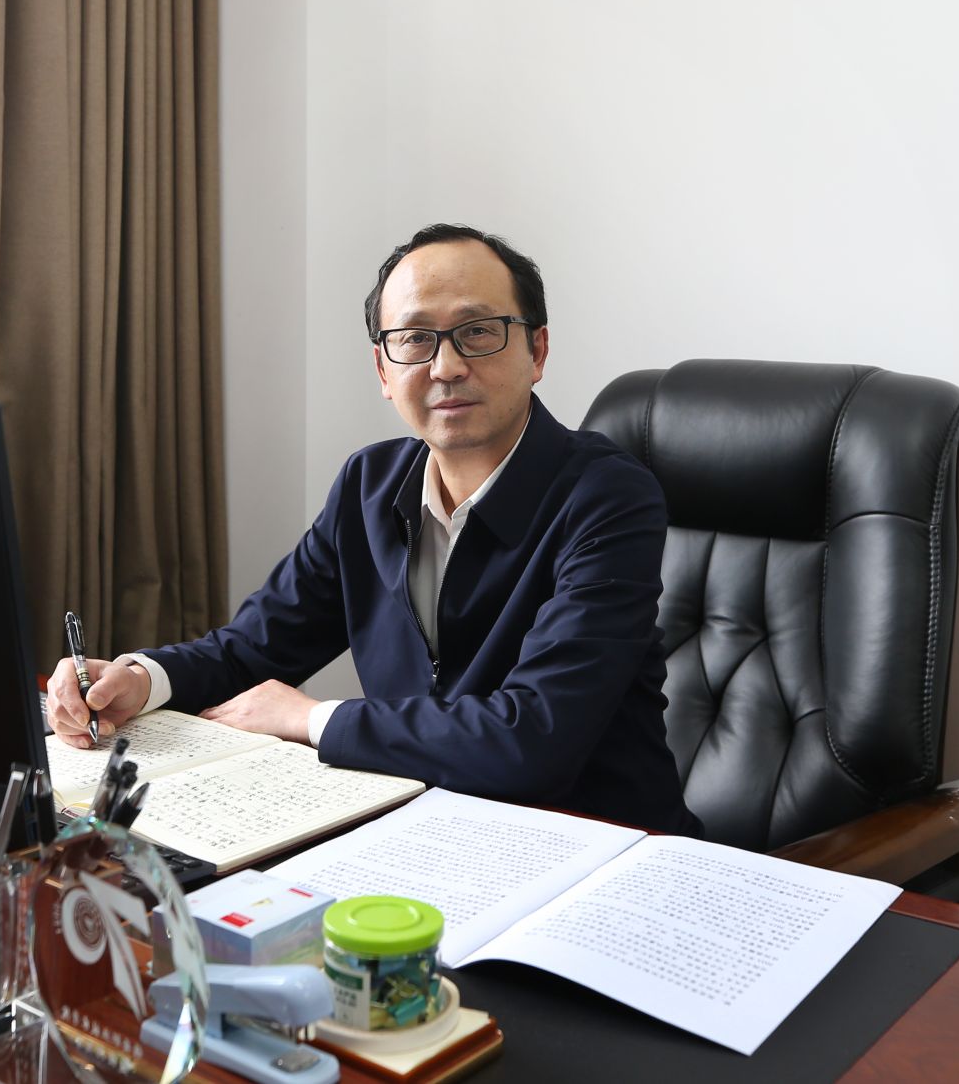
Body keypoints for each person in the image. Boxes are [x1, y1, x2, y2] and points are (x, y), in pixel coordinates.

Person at [48, 223, 698, 834]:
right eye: (414, 339)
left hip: (600, 845)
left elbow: (534, 738)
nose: (446, 366)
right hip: (422, 830)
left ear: (538, 351)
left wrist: (311, 719)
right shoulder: (369, 485)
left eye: (478, 331)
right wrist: (141, 678)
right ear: (385, 371)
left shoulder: (607, 496)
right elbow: (251, 648)